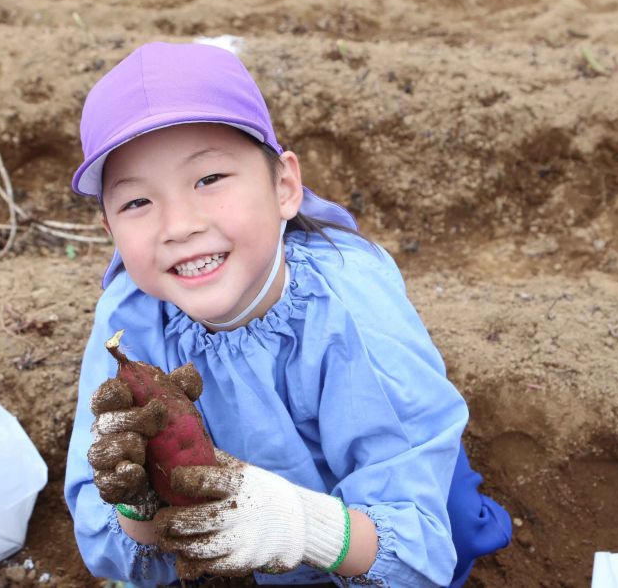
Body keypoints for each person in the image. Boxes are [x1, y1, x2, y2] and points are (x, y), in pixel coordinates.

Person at [63, 41, 511, 588]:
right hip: (231, 526)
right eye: (136, 202)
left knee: (454, 521)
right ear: (109, 229)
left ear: (284, 186)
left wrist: (305, 527)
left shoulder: (347, 305)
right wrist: (138, 508)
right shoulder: (128, 320)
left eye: (209, 179)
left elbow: (419, 546)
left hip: (379, 495)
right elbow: (103, 535)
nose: (178, 225)